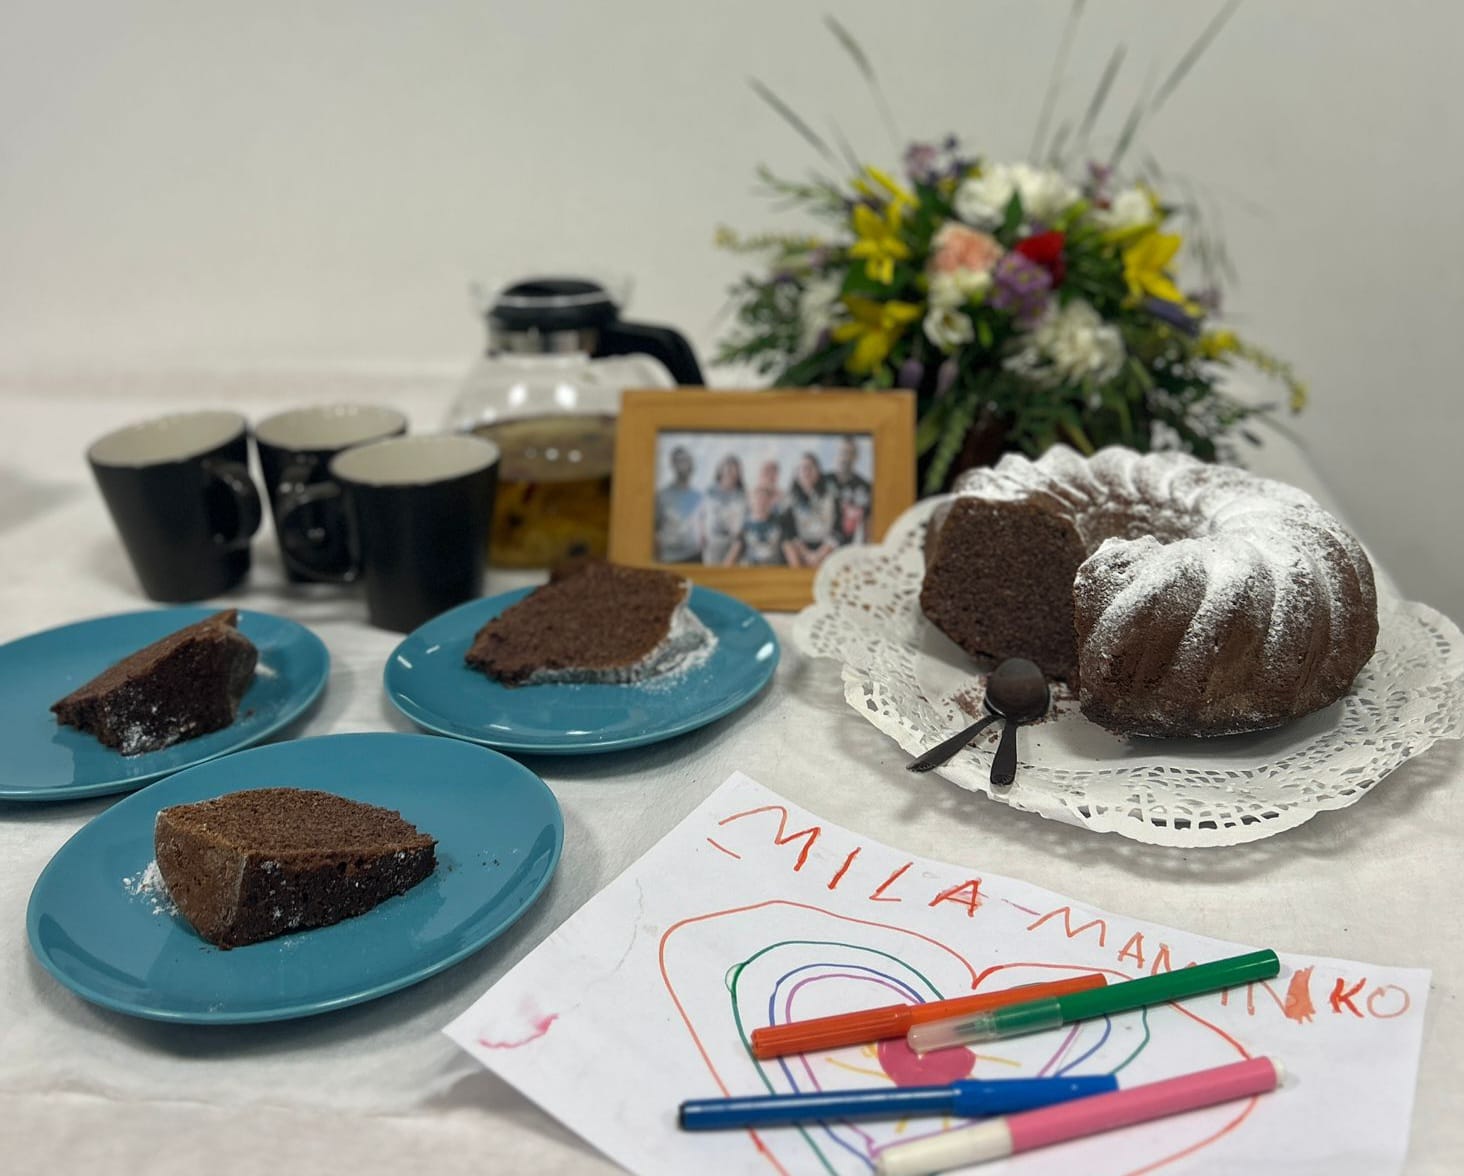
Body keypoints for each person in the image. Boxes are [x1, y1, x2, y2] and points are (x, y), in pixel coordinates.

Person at [781, 451, 839, 568]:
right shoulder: (790, 499)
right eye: (802, 469)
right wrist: (806, 554)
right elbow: (788, 532)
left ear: (818, 471)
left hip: (825, 546)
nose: (806, 472)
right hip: (801, 547)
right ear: (796, 474)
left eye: (810, 468)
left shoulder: (831, 496)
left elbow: (839, 529)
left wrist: (819, 554)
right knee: (787, 545)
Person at [653, 445, 703, 563]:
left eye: (686, 460)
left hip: (695, 557)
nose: (683, 464)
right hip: (670, 559)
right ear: (672, 464)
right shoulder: (662, 495)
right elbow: (653, 529)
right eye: (679, 460)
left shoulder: (699, 497)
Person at [725, 481, 788, 566]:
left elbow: (789, 550)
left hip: (773, 570)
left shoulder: (780, 524)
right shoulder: (745, 526)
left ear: (771, 502)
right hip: (751, 570)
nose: (761, 503)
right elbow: (733, 554)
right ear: (752, 502)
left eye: (765, 500)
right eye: (758, 499)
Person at [701, 455, 747, 566]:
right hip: (712, 543)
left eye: (735, 470)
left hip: (733, 545)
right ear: (721, 470)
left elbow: (745, 521)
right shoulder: (710, 490)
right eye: (728, 469)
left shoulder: (742, 494)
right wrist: (702, 533)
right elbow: (701, 514)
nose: (731, 473)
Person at [828, 435, 872, 545]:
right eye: (842, 452)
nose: (845, 458)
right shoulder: (823, 481)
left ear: (856, 457)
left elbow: (868, 522)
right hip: (821, 546)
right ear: (836, 454)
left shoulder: (865, 487)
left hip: (849, 548)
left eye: (849, 453)